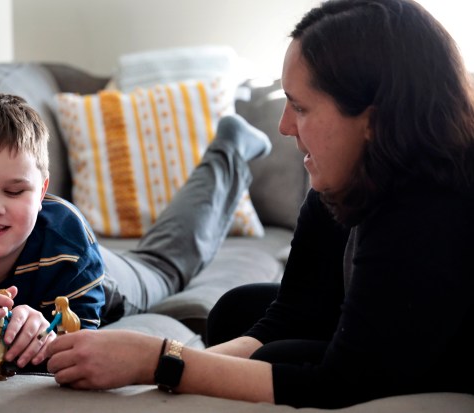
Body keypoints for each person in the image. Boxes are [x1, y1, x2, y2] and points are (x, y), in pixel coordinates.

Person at [44, 0, 474, 408]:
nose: (285, 126)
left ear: (373, 120)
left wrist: (157, 360)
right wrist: (174, 358)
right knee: (238, 312)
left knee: (280, 352)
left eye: (301, 107)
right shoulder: (348, 176)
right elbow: (290, 313)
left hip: (439, 353)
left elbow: (343, 385)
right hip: (385, 322)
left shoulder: (429, 208)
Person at [0, 92, 271, 373]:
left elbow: (81, 352)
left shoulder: (64, 232)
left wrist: (47, 338)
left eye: (15, 191)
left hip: (106, 278)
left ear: (42, 191)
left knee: (164, 265)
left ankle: (229, 150)